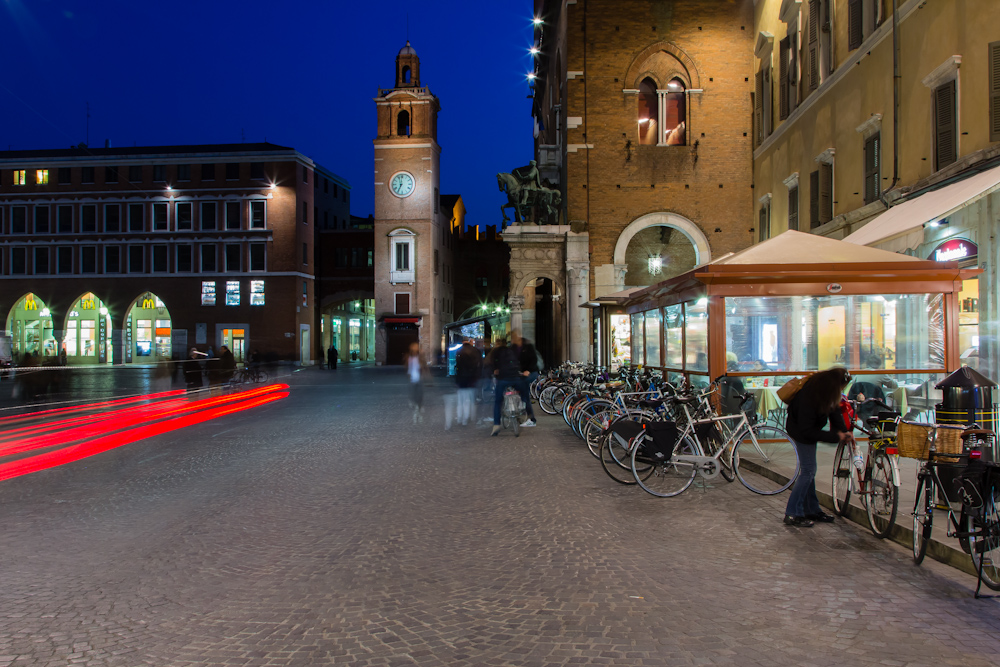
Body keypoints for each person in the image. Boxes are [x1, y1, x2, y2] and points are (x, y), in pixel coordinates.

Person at [784, 367, 854, 527]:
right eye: (842, 387)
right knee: (808, 471)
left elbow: (834, 411)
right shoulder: (808, 396)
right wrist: (836, 436)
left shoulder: (826, 392)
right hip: (801, 432)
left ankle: (812, 510)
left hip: (807, 430)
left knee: (809, 471)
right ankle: (792, 513)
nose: (842, 390)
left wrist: (844, 431)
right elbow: (806, 430)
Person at [491, 337, 537, 436]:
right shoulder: (512, 351)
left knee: (498, 401)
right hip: (515, 377)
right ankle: (528, 412)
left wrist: (495, 371)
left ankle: (496, 425)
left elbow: (494, 365)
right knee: (524, 393)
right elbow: (518, 362)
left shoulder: (496, 352)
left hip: (503, 378)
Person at [454, 339, 482, 426]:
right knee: (470, 399)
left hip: (461, 378)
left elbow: (457, 366)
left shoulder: (459, 351)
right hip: (472, 378)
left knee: (461, 399)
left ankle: (460, 418)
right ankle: (468, 418)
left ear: (462, 342)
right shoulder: (475, 351)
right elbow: (480, 365)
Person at [406, 342, 425, 423]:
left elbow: (423, 368)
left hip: (419, 379)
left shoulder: (420, 358)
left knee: (419, 395)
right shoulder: (410, 358)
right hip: (413, 379)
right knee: (414, 395)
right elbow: (409, 369)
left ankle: (418, 407)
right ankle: (416, 406)